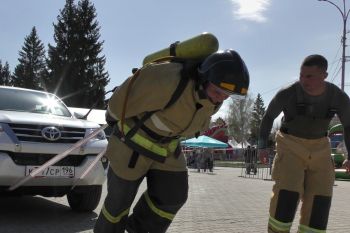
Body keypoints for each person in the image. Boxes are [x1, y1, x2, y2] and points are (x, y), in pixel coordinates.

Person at [94, 49, 250, 233]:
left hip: (167, 148)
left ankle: (138, 229)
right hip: (131, 145)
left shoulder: (212, 100)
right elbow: (121, 100)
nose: (221, 99)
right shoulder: (167, 79)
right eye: (218, 92)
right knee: (117, 205)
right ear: (204, 78)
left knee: (173, 195)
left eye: (226, 96)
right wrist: (111, 116)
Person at [258, 54, 350, 233]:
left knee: (320, 201)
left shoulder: (338, 97)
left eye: (309, 76)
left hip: (321, 148)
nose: (303, 80)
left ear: (324, 75)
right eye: (301, 75)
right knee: (287, 195)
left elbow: (348, 125)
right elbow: (268, 116)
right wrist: (262, 146)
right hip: (290, 144)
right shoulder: (289, 92)